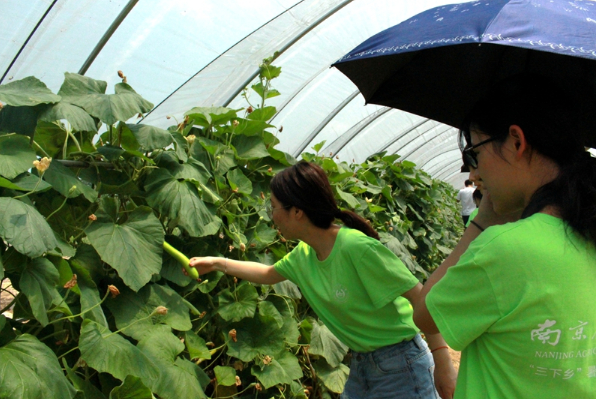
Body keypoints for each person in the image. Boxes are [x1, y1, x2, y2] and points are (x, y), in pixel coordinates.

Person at [188, 161, 457, 399]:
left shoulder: (356, 248)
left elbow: (419, 297)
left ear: (297, 211)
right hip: (362, 362)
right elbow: (268, 274)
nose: (271, 216)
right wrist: (216, 263)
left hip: (400, 363)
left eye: (273, 207)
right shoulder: (304, 254)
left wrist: (443, 362)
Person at [412, 74, 596, 398]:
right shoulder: (587, 231)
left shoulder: (504, 249)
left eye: (474, 154)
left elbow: (426, 315)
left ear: (515, 141)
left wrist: (482, 221)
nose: (474, 173)